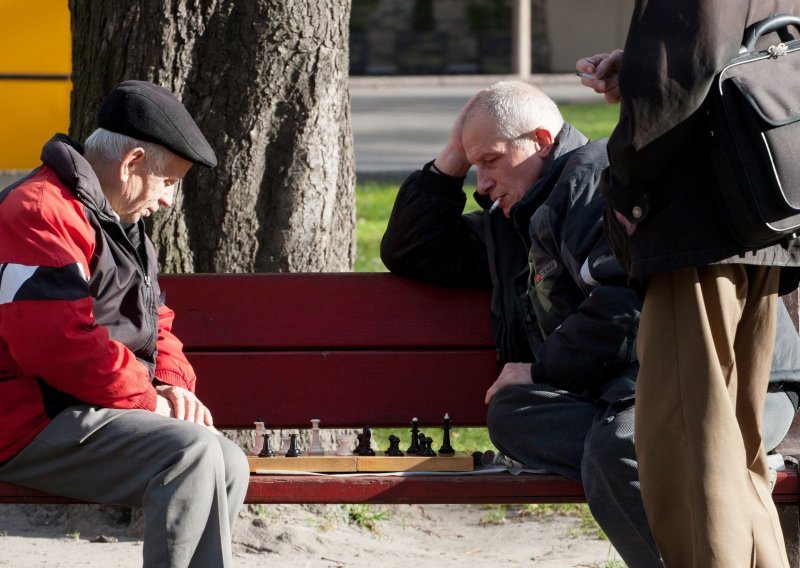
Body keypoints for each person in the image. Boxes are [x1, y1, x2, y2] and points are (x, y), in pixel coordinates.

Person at [381, 80, 800, 568]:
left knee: (619, 448)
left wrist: (541, 372)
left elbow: (626, 309)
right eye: (474, 166)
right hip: (621, 393)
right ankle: (698, 465)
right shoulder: (512, 218)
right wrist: (456, 151)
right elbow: (411, 250)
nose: (482, 183)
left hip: (732, 389)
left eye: (490, 161)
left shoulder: (596, 183)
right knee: (513, 413)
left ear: (540, 140)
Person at [576, 2, 800, 566]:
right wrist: (640, 65)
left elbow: (674, 81)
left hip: (696, 222)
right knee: (735, 448)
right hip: (762, 206)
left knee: (687, 446)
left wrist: (624, 188)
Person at [0, 80, 249, 567]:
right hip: (26, 420)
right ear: (132, 163)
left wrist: (172, 385)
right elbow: (57, 345)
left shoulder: (120, 222)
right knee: (193, 455)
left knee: (228, 460)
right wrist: (149, 399)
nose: (168, 202)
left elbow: (157, 320)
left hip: (83, 410)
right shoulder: (40, 212)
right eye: (170, 182)